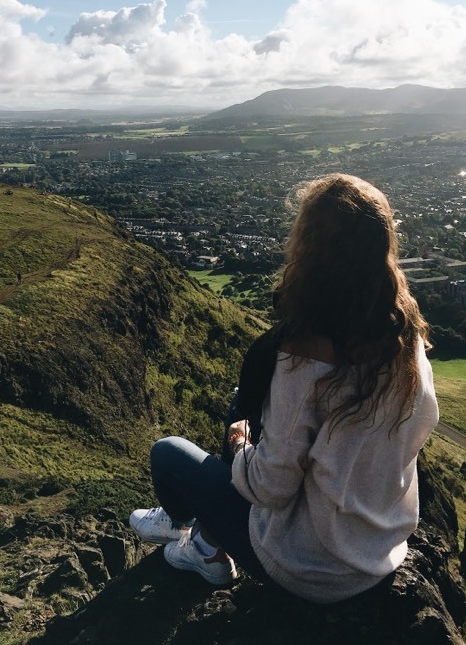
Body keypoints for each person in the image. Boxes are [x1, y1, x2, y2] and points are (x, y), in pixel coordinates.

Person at [129, 174, 439, 601]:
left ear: (309, 250)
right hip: (377, 550)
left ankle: (199, 539)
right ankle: (205, 536)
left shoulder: (308, 356)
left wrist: (240, 447)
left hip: (307, 565)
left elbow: (271, 488)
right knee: (246, 399)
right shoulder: (405, 338)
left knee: (167, 452)